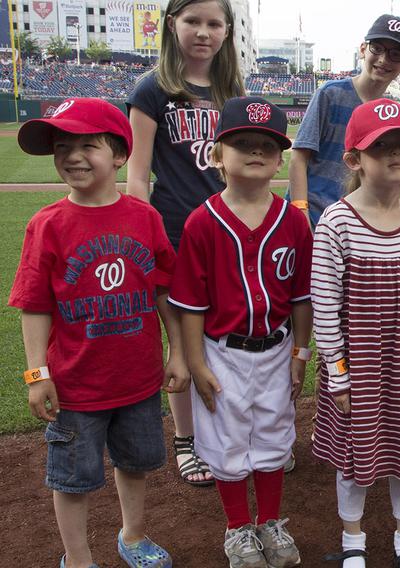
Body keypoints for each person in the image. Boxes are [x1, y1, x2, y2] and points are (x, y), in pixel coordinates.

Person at [10, 98, 181, 568]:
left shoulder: (145, 218)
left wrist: (178, 353)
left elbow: (164, 290)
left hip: (138, 379)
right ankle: (79, 557)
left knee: (134, 465)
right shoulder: (47, 224)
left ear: (121, 154)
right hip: (74, 387)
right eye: (62, 146)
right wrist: (36, 374)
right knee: (72, 480)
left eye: (88, 144)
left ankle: (133, 534)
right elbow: (34, 305)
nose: (72, 156)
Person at [168, 98, 313, 568]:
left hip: (276, 348)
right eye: (242, 143)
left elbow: (301, 298)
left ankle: (269, 521)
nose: (256, 152)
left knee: (273, 438)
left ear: (279, 159)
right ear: (216, 154)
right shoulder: (201, 222)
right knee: (228, 444)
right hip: (222, 351)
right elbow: (190, 303)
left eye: (267, 146)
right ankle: (237, 528)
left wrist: (300, 352)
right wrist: (195, 363)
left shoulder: (294, 220)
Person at [310, 99, 400, 568]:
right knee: (356, 458)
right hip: (359, 366)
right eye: (380, 146)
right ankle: (354, 540)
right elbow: (325, 307)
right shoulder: (337, 221)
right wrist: (339, 374)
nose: (395, 153)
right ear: (354, 159)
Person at [126, 0, 246, 486]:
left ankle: (231, 428)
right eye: (192, 20)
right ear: (172, 24)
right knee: (180, 336)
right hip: (174, 228)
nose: (203, 32)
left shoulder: (230, 91)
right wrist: (142, 241)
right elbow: (136, 177)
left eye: (213, 23)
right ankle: (186, 438)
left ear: (226, 31)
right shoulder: (152, 89)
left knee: (226, 333)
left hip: (227, 229)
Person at [288, 14, 400, 226]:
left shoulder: (388, 111)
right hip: (313, 214)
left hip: (354, 221)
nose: (383, 59)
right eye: (377, 48)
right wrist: (301, 212)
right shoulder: (330, 93)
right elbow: (299, 158)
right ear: (363, 49)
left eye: (395, 54)